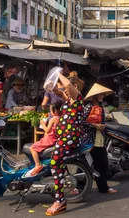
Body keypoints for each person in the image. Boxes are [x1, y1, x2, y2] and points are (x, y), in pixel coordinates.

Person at [46, 73, 86, 216]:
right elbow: (58, 91)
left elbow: (67, 85)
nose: (64, 91)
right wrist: (51, 86)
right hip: (63, 137)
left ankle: (60, 201)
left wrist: (58, 73)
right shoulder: (69, 100)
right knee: (55, 162)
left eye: (66, 89)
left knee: (55, 162)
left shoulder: (77, 98)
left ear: (75, 87)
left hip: (70, 137)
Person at [83, 83, 117, 195]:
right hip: (88, 139)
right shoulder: (88, 107)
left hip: (99, 139)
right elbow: (81, 122)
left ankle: (103, 187)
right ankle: (79, 187)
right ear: (96, 95)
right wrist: (95, 125)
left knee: (102, 163)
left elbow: (102, 123)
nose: (103, 96)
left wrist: (102, 128)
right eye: (101, 94)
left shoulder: (101, 109)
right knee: (86, 163)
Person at [28, 103, 61, 177]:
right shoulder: (61, 118)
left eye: (50, 111)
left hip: (49, 139)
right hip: (54, 139)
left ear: (55, 111)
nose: (50, 113)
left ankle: (37, 164)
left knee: (32, 148)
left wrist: (42, 124)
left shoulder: (53, 119)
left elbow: (47, 130)